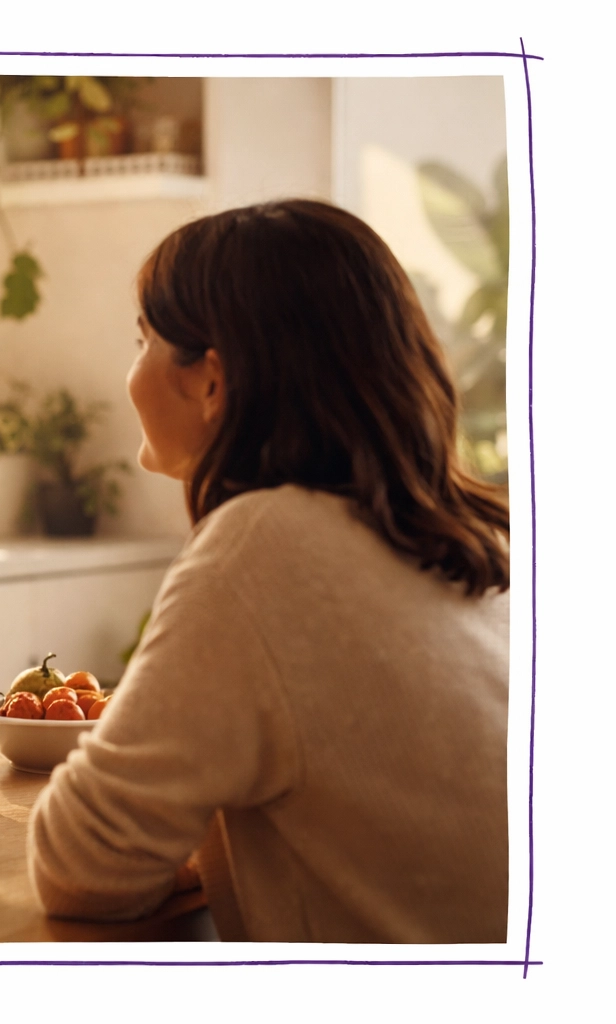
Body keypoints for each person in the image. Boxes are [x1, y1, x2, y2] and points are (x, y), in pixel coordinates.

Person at [27, 199, 510, 943]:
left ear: (211, 382)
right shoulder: (483, 538)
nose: (130, 373)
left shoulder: (262, 546)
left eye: (141, 339)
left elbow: (83, 865)